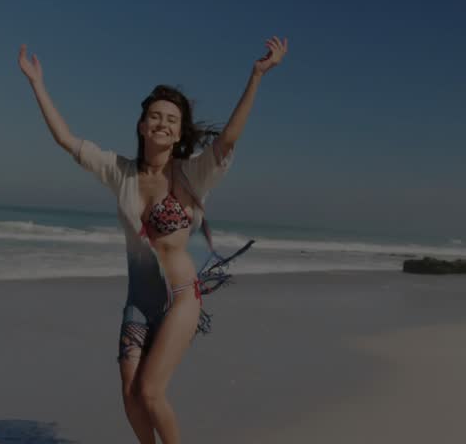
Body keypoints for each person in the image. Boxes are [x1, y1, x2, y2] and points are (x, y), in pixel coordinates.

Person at [18, 36, 287, 444]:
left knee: (150, 391)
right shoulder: (120, 172)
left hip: (181, 298)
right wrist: (37, 84)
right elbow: (66, 139)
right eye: (156, 116)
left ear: (179, 134)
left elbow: (228, 139)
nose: (163, 123)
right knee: (130, 397)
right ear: (142, 125)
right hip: (139, 302)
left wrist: (257, 76)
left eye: (172, 120)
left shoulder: (191, 174)